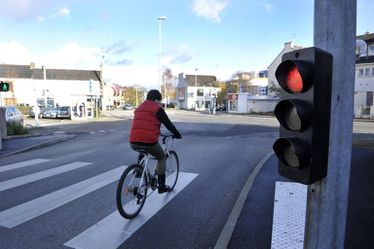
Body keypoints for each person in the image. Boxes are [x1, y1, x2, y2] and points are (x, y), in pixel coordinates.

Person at [129, 89, 182, 194]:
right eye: (160, 101)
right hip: (149, 141)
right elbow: (168, 124)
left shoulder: (139, 107)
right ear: (157, 99)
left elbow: (142, 125)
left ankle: (139, 169)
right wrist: (177, 134)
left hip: (133, 141)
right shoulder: (157, 108)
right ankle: (161, 186)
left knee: (142, 147)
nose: (160, 103)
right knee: (161, 157)